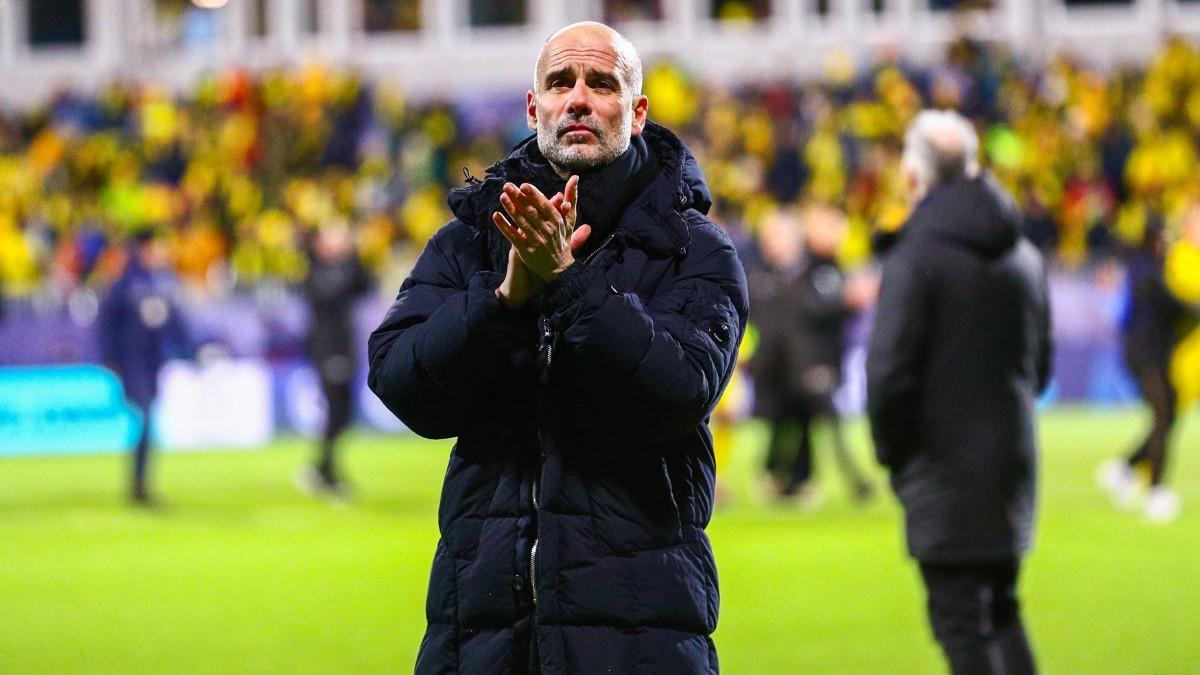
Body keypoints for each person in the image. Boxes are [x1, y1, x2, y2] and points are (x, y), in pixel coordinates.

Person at [367, 22, 747, 674]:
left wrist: (569, 285)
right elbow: (400, 380)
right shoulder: (470, 238)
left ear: (637, 110)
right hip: (482, 634)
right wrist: (505, 299)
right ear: (533, 106)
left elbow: (679, 389)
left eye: (601, 83)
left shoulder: (694, 247)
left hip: (640, 636)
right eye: (560, 82)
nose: (578, 98)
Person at [867, 110, 1052, 675]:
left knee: (960, 626)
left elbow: (889, 375)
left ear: (915, 175)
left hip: (943, 470)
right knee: (1001, 611)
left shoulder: (916, 256)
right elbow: (1040, 369)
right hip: (1012, 462)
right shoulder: (1024, 255)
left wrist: (895, 456)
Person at [749, 205, 875, 504]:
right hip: (806, 360)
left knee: (799, 422)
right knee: (823, 421)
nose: (839, 235)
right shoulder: (807, 271)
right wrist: (847, 301)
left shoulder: (828, 268)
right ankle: (854, 481)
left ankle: (787, 478)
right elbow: (808, 312)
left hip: (817, 358)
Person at [1099, 209, 1199, 521]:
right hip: (1146, 355)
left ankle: (1124, 470)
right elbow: (1173, 305)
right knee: (1164, 415)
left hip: (1153, 353)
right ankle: (1155, 491)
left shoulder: (1147, 266)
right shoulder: (1149, 270)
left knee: (1166, 417)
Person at [97, 229, 192, 505]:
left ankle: (140, 484)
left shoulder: (159, 284)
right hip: (132, 363)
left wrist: (189, 349)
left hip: (153, 363)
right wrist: (111, 359)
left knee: (148, 421)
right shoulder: (125, 284)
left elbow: (173, 323)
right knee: (146, 417)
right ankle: (139, 485)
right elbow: (107, 324)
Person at [297, 221, 373, 499]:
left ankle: (321, 468)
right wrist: (348, 256)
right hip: (329, 349)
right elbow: (336, 292)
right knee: (336, 411)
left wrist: (351, 253)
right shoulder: (315, 272)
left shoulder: (340, 269)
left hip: (343, 347)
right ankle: (324, 472)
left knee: (343, 414)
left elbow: (363, 285)